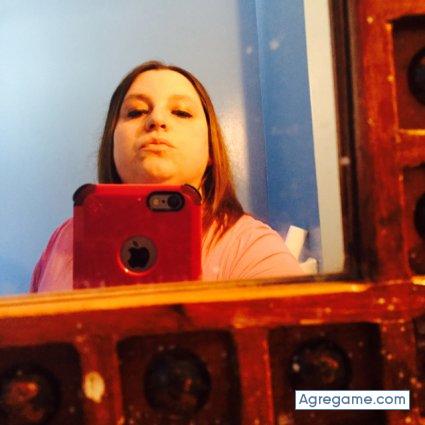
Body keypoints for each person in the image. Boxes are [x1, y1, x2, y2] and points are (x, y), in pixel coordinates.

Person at [30, 61, 303, 292]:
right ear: (111, 142)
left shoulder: (251, 247)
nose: (156, 120)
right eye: (136, 112)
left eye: (181, 112)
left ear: (211, 148)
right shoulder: (65, 238)